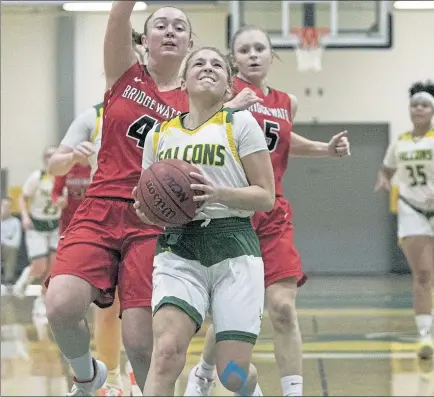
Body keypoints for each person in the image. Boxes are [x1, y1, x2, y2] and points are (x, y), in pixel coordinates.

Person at [185, 25, 351, 397]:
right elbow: (190, 132)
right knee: (233, 314)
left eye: (260, 48)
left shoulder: (286, 101)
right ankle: (203, 373)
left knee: (282, 309)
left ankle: (293, 392)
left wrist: (325, 149)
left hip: (272, 215)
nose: (253, 55)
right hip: (229, 212)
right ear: (234, 59)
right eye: (244, 50)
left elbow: (285, 139)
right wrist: (228, 109)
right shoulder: (218, 95)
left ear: (272, 55)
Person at [134, 45, 274, 396]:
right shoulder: (159, 134)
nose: (207, 67)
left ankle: (247, 389)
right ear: (183, 81)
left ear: (229, 87)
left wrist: (218, 194)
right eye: (198, 63)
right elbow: (149, 195)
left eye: (217, 65)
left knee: (233, 375)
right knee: (165, 353)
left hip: (234, 244)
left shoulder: (240, 124)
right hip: (179, 248)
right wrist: (147, 210)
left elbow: (265, 196)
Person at [48, 102, 127, 396]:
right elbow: (54, 165)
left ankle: (142, 371)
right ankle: (112, 378)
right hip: (104, 219)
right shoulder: (95, 115)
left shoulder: (172, 105)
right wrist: (70, 156)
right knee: (109, 308)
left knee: (149, 313)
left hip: (155, 219)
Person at [375, 81, 434, 359]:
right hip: (412, 209)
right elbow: (386, 169)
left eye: (424, 104)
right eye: (415, 105)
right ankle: (425, 336)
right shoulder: (400, 142)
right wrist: (383, 180)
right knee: (422, 274)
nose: (419, 108)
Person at [13, 146, 59, 320]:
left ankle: (42, 300)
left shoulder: (63, 176)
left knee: (52, 268)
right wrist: (24, 216)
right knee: (39, 266)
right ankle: (25, 277)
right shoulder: (37, 177)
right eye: (48, 156)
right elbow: (23, 197)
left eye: (54, 155)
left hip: (55, 226)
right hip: (37, 226)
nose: (51, 158)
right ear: (44, 159)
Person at [1, 197, 22, 285]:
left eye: (9, 207)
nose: (7, 209)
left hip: (8, 249)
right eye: (5, 206)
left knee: (12, 249)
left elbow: (16, 243)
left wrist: (3, 242)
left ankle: (8, 279)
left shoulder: (15, 222)